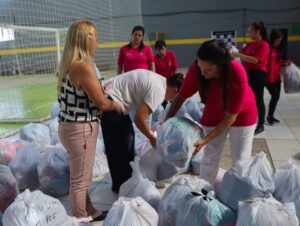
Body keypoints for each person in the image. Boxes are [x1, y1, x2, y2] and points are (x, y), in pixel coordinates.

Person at [165, 40, 257, 184]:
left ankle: (239, 194)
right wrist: (166, 122)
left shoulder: (237, 73)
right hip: (214, 112)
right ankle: (205, 191)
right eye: (201, 67)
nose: (203, 73)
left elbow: (231, 117)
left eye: (207, 70)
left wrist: (205, 140)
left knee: (241, 160)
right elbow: (180, 97)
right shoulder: (196, 70)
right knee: (210, 156)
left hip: (241, 114)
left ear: (220, 66)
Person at [57, 20, 122, 221]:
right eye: (96, 40)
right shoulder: (84, 67)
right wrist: (115, 105)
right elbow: (102, 103)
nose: (98, 45)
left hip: (69, 126)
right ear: (86, 40)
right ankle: (80, 218)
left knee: (81, 175)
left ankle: (90, 210)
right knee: (80, 181)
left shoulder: (68, 64)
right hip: (80, 129)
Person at [102, 69, 183, 193]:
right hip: (110, 101)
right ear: (175, 90)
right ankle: (123, 187)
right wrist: (152, 138)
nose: (172, 101)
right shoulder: (159, 90)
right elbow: (139, 119)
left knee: (124, 142)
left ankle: (123, 184)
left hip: (110, 96)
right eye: (175, 98)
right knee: (121, 144)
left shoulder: (159, 80)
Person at [232, 22, 270, 134]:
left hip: (258, 74)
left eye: (251, 31)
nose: (248, 33)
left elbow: (255, 60)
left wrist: (238, 54)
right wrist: (233, 50)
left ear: (258, 31)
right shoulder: (250, 44)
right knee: (246, 97)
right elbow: (242, 55)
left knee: (258, 99)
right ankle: (248, 119)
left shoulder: (264, 45)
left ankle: (261, 124)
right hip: (248, 73)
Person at [266, 29, 290, 124]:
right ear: (273, 39)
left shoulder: (277, 49)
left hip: (276, 77)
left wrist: (284, 62)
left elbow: (277, 62)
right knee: (275, 95)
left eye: (280, 40)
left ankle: (271, 116)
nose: (279, 42)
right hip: (268, 78)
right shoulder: (267, 48)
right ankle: (269, 116)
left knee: (276, 97)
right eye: (278, 40)